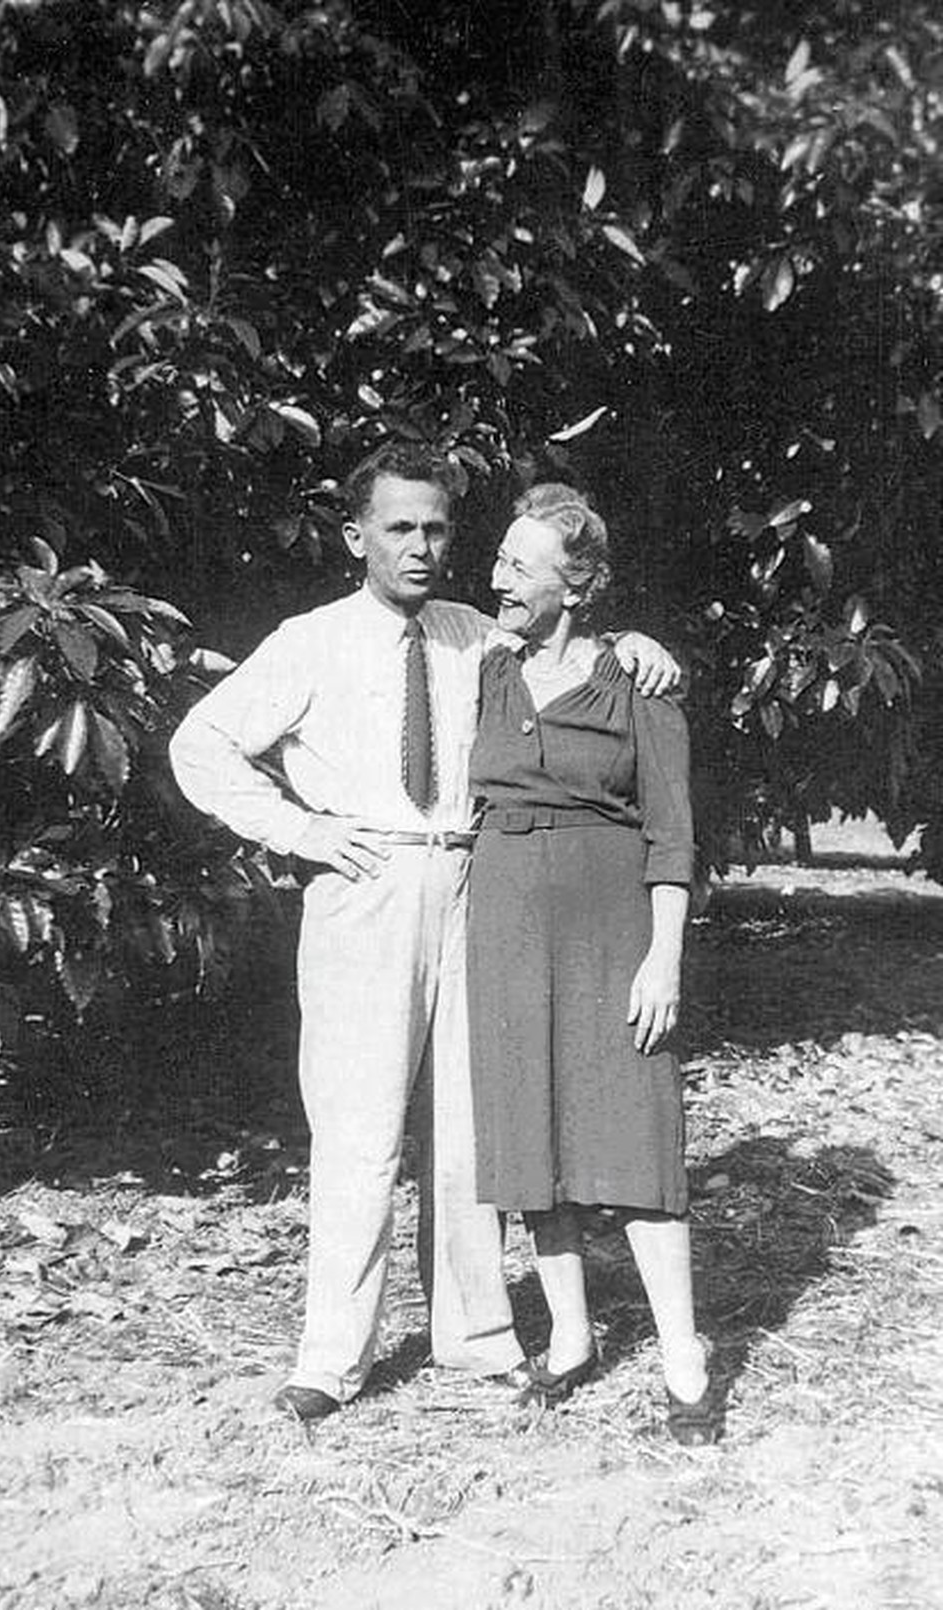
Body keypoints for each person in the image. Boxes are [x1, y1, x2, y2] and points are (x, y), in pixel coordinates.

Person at [169, 443, 680, 1423]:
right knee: (360, 1130)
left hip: (478, 883)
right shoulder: (309, 640)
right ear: (355, 534)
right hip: (366, 887)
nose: (421, 545)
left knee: (472, 1129)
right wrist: (301, 830)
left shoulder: (478, 635)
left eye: (438, 527)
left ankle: (478, 1334)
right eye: (399, 527)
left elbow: (573, 647)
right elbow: (202, 743)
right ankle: (333, 1355)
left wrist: (643, 646)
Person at [467, 482, 721, 1444]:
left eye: (520, 567)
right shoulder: (488, 671)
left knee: (637, 1142)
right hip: (502, 928)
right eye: (498, 559)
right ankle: (571, 1339)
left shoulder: (637, 684)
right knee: (529, 1139)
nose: (498, 577)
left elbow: (671, 836)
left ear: (577, 588)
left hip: (613, 933)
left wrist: (665, 960)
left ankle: (686, 1363)